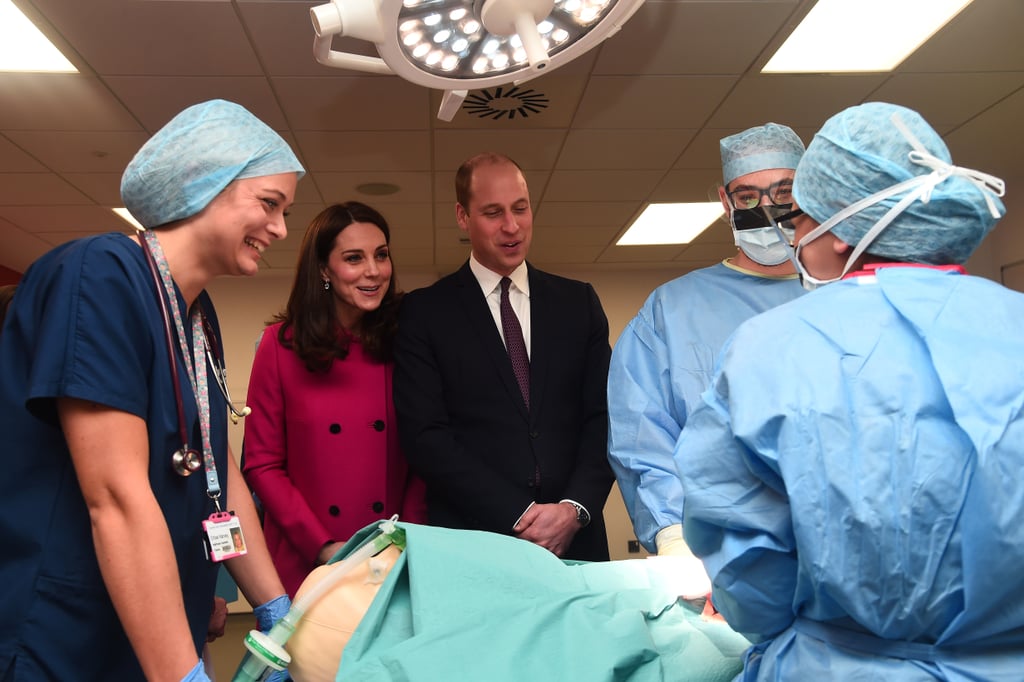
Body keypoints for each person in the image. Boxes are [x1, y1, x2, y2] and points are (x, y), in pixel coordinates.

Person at [676, 102, 1023, 679]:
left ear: (838, 234)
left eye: (799, 218)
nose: (793, 237)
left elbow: (748, 560)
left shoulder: (771, 348)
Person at [0, 99, 303, 682]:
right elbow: (114, 496)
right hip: (67, 631)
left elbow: (220, 469)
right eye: (269, 204)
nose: (280, 229)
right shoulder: (100, 274)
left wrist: (275, 608)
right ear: (203, 184)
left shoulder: (195, 315)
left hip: (155, 627)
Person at [394, 152, 614, 561]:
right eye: (493, 213)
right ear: (463, 217)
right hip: (476, 541)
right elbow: (426, 437)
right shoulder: (424, 313)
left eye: (520, 209)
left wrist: (574, 509)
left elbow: (603, 417)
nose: (511, 227)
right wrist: (520, 515)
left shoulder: (578, 303)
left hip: (577, 539)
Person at [607, 123, 806, 557]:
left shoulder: (848, 298)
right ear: (724, 202)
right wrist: (674, 536)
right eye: (748, 198)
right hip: (719, 554)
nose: (767, 210)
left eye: (784, 193)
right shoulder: (673, 311)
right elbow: (642, 436)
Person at [243, 201, 427, 598]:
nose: (373, 271)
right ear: (324, 270)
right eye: (353, 258)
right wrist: (322, 545)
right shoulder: (279, 346)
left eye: (381, 255)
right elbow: (262, 464)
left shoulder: (407, 342)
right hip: (307, 560)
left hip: (389, 557)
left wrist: (404, 538)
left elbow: (423, 454)